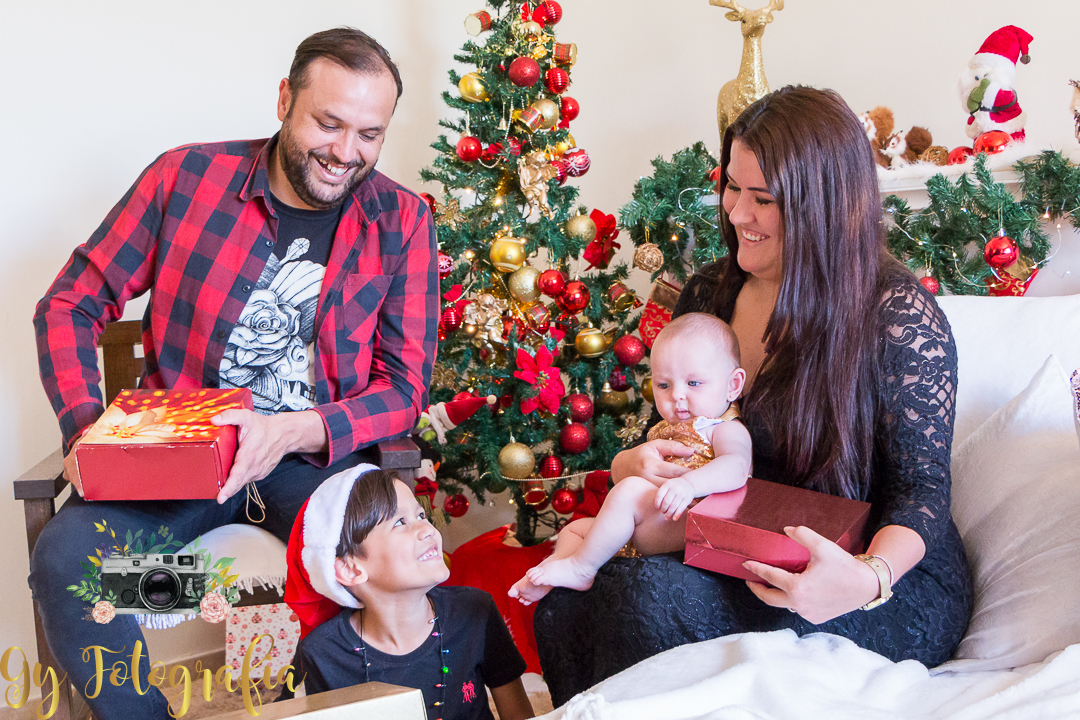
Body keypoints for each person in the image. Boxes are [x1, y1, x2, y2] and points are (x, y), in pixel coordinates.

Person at [30, 28, 438, 719]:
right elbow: (70, 302)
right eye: (328, 122)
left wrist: (296, 430)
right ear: (285, 100)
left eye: (370, 134)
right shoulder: (185, 179)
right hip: (179, 464)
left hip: (313, 470)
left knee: (378, 569)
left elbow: (404, 387)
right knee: (73, 560)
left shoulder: (402, 221)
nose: (346, 152)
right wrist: (83, 431)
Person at [533, 86, 974, 707]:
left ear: (824, 206)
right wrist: (636, 464)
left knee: (648, 600)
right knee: (564, 605)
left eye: (762, 198)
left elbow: (922, 493)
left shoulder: (895, 316)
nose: (737, 213)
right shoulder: (709, 293)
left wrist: (867, 578)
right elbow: (667, 432)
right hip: (735, 546)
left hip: (875, 574)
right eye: (732, 186)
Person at [509, 313, 752, 604]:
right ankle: (556, 569)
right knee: (575, 530)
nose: (677, 396)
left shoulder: (723, 428)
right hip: (647, 521)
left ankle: (581, 568)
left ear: (733, 385)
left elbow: (737, 467)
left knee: (630, 491)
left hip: (690, 521)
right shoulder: (664, 428)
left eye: (694, 383)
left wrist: (689, 485)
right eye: (664, 385)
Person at [286, 466, 534, 720]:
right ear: (351, 569)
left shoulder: (474, 610)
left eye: (422, 515)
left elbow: (519, 715)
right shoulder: (322, 653)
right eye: (400, 522)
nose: (428, 529)